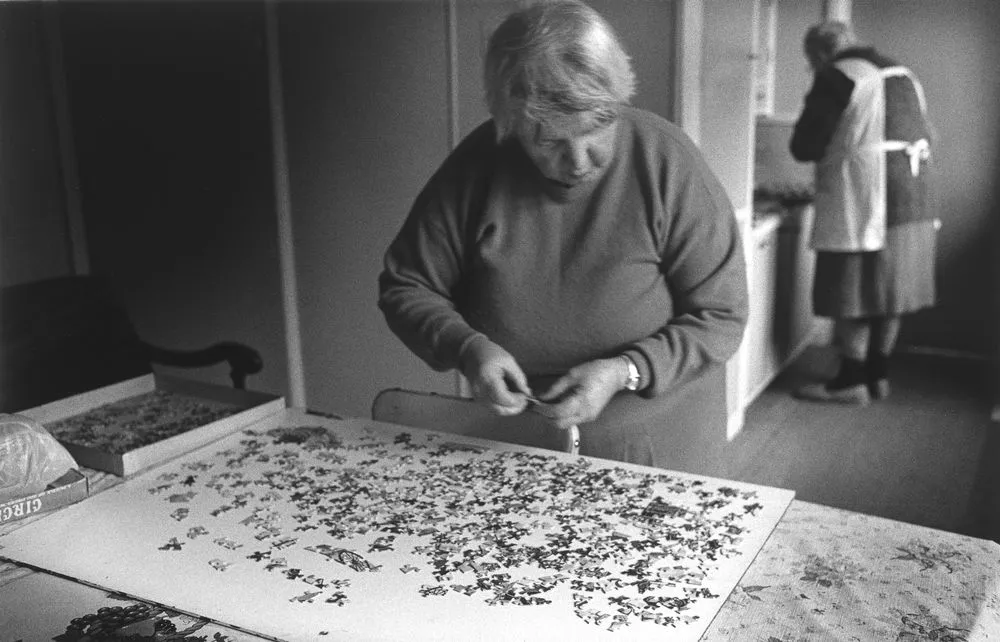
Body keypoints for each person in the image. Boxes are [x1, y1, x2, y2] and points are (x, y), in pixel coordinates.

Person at [378, 0, 747, 470]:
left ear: (620, 100)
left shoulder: (667, 163)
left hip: (661, 442)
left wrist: (625, 371)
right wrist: (469, 350)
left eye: (597, 128)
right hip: (520, 439)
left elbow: (723, 315)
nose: (578, 161)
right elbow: (405, 286)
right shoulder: (478, 167)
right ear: (509, 124)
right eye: (549, 140)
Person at [790, 21, 936, 405]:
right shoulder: (904, 73)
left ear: (819, 54)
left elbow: (804, 145)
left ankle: (850, 382)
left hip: (868, 196)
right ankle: (877, 373)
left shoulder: (838, 75)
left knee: (852, 288)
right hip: (915, 196)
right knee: (893, 290)